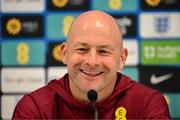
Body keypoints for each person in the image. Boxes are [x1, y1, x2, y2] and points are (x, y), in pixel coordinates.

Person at [12, 10, 170, 119]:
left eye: (103, 51)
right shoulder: (34, 109)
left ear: (122, 59)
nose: (92, 62)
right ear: (64, 53)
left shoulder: (147, 105)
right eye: (82, 49)